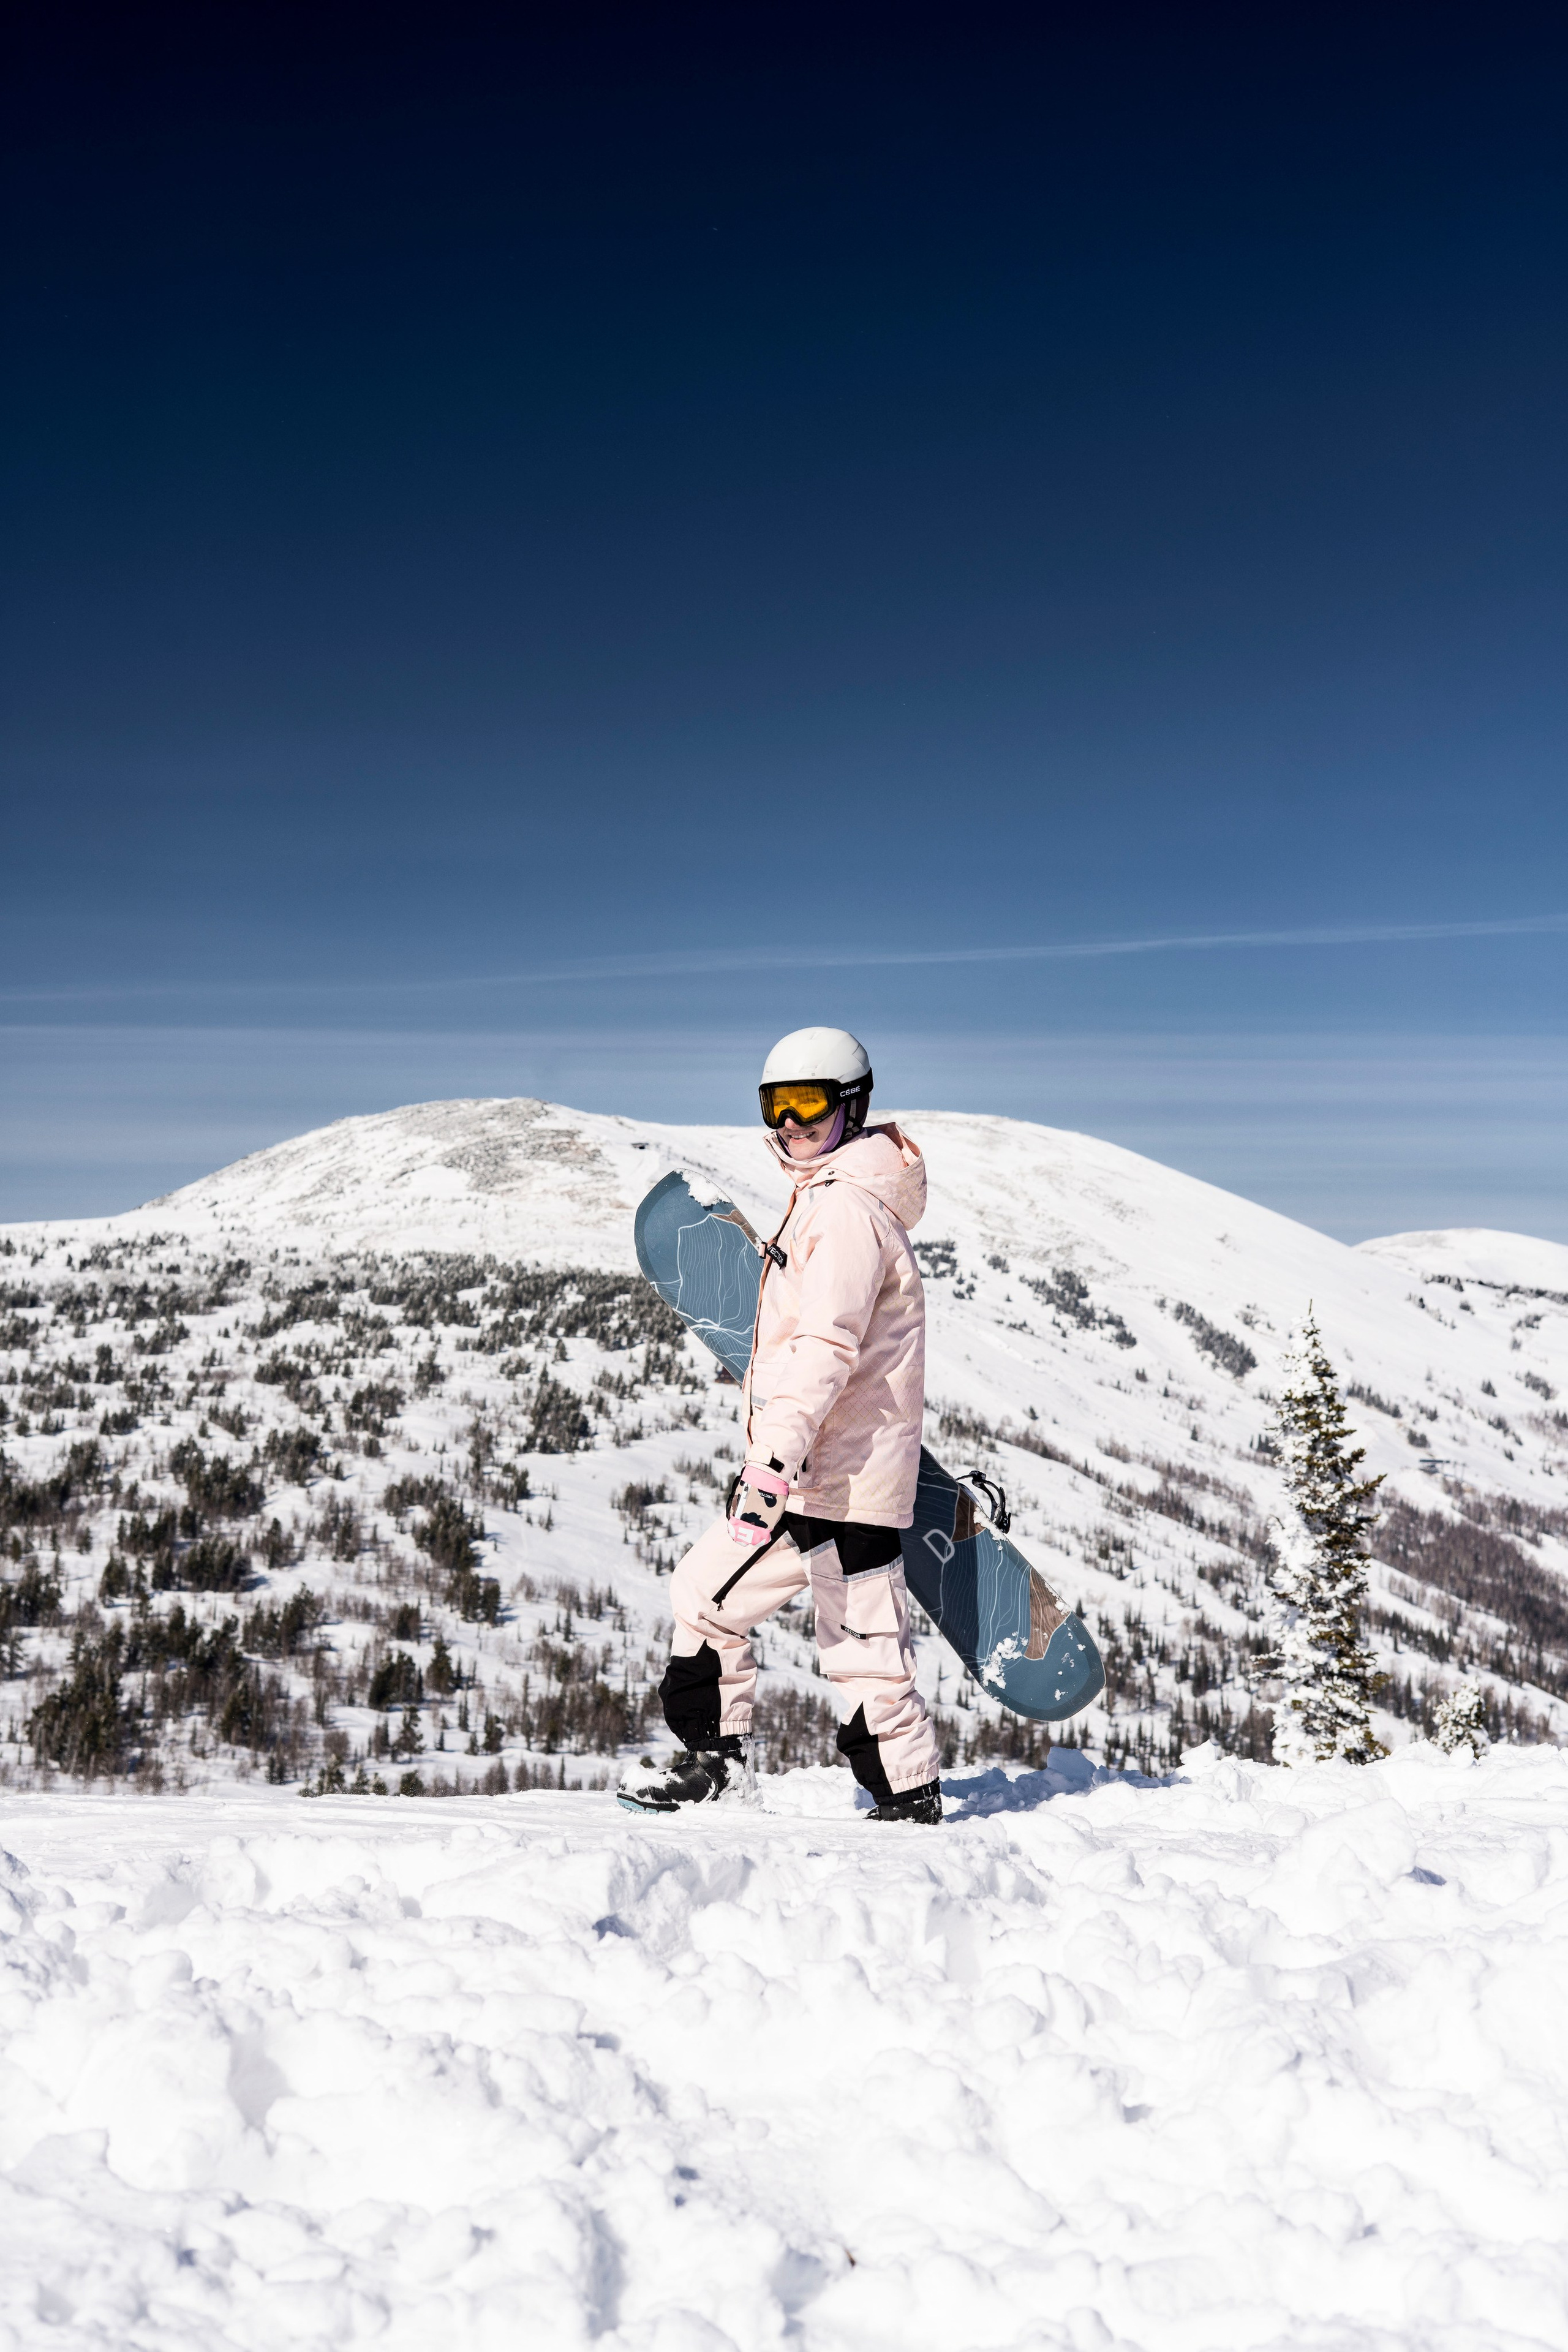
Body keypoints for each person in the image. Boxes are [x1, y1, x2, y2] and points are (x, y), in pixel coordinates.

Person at [619, 1027, 943, 1823]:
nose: (791, 1124)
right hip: (825, 1475)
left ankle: (900, 1802)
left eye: (810, 1105)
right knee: (736, 1604)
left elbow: (825, 1348)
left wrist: (771, 1461)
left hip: (829, 1477)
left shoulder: (845, 1211)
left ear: (852, 1106)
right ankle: (739, 1765)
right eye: (777, 1106)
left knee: (846, 1643)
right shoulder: (831, 1197)